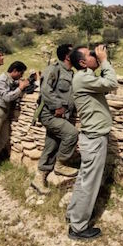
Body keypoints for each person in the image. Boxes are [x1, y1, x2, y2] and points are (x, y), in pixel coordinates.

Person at [66, 45, 118, 240]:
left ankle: (73, 215)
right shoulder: (83, 78)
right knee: (89, 183)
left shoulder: (85, 76)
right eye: (91, 54)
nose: (95, 55)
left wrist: (99, 62)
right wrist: (104, 60)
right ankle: (78, 228)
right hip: (95, 139)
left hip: (91, 137)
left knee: (83, 180)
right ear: (82, 62)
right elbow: (112, 83)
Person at [31, 44, 79, 194]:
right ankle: (60, 165)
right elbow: (45, 89)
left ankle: (39, 178)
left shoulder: (71, 73)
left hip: (61, 115)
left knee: (51, 144)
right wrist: (57, 106)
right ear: (67, 56)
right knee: (71, 134)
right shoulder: (54, 69)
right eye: (74, 51)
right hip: (49, 113)